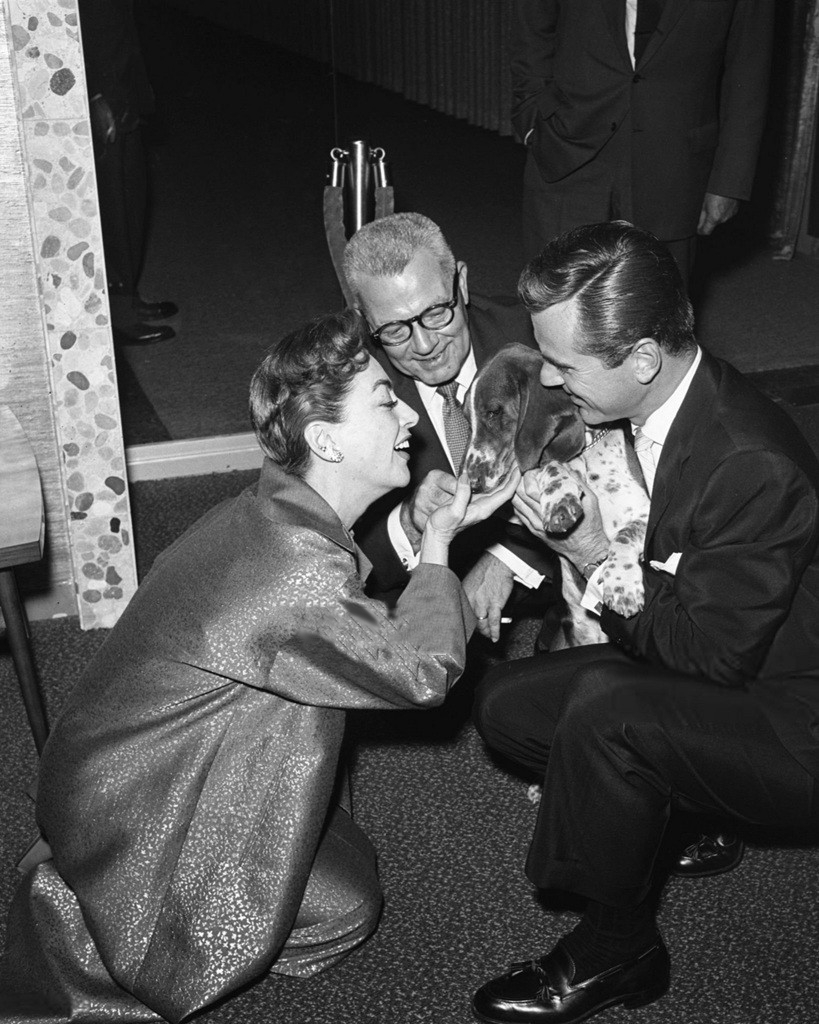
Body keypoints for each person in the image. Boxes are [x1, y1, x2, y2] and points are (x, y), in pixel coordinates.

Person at [0, 310, 518, 1022]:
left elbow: (347, 627)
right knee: (326, 918)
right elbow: (420, 672)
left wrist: (431, 538)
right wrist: (439, 549)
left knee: (348, 902)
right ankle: (94, 909)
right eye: (384, 400)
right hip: (137, 808)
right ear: (325, 440)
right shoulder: (290, 564)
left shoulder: (274, 513)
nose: (408, 417)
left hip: (121, 772)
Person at [470, 222, 819, 1024]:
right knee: (507, 708)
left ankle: (617, 949)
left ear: (640, 360)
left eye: (564, 366)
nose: (552, 385)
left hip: (795, 715)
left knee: (604, 719)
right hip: (729, 653)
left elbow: (707, 656)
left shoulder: (747, 461)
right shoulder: (662, 402)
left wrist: (590, 551)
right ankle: (681, 811)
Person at [344, 212, 557, 643]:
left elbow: (614, 457)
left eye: (437, 313)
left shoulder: (537, 339)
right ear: (365, 320)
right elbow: (322, 538)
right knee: (337, 628)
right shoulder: (351, 383)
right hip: (415, 582)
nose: (424, 346)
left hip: (546, 551)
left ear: (460, 284)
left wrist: (508, 559)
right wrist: (407, 523)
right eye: (394, 330)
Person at [511, 0, 775, 282]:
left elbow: (749, 68)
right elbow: (533, 27)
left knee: (656, 311)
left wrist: (729, 181)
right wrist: (530, 118)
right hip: (566, 143)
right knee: (557, 298)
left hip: (674, 163)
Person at [79, 0, 177, 345]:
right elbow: (81, 32)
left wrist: (137, 88)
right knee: (112, 204)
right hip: (104, 93)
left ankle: (128, 298)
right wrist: (94, 96)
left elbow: (121, 31)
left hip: (123, 86)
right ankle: (117, 312)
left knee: (132, 195)